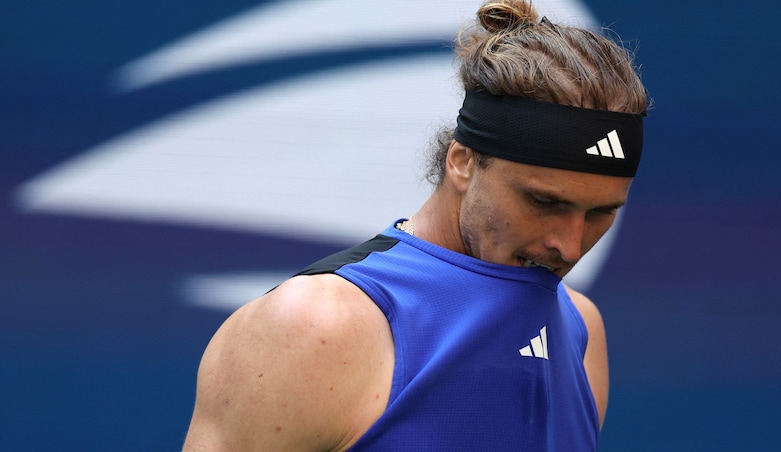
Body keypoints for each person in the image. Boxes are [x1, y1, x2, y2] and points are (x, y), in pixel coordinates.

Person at [183, 0, 649, 450]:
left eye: (600, 213)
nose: (568, 247)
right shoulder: (312, 325)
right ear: (463, 162)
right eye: (543, 201)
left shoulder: (581, 327)